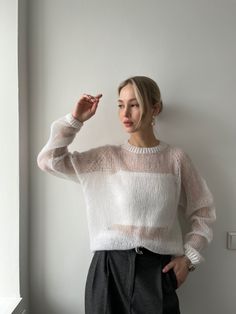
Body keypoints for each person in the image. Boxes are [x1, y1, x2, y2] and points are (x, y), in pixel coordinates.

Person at [37, 76, 216, 314]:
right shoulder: (106, 158)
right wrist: (75, 120)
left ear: (155, 108)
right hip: (109, 270)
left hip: (158, 271)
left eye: (134, 104)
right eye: (121, 105)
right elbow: (49, 161)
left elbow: (203, 211)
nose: (125, 113)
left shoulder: (175, 159)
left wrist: (189, 259)